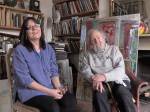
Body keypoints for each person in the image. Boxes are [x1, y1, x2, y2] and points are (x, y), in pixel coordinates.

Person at [12, 17, 77, 112]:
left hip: (50, 87)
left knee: (70, 101)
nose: (34, 29)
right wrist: (50, 92)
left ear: (40, 29)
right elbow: (25, 80)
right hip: (30, 92)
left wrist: (58, 87)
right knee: (53, 107)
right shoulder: (20, 50)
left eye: (36, 26)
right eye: (30, 28)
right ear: (25, 33)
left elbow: (53, 72)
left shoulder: (49, 48)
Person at [79, 29, 136, 112]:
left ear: (103, 38)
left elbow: (120, 70)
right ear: (91, 44)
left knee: (123, 94)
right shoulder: (86, 55)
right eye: (94, 40)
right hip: (101, 83)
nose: (97, 41)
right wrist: (94, 78)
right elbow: (85, 70)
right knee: (98, 95)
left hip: (119, 80)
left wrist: (103, 77)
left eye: (99, 37)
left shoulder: (114, 50)